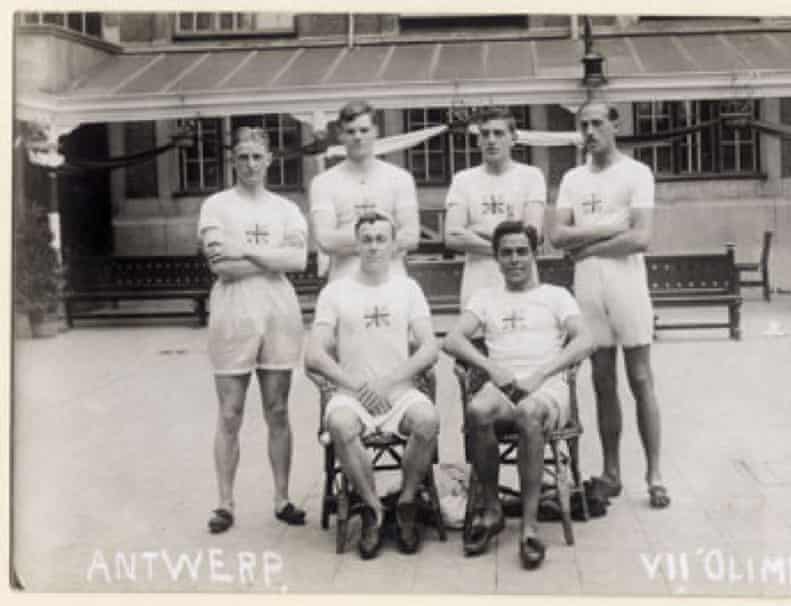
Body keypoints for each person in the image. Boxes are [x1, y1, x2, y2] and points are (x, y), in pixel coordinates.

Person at [443, 220, 592, 569]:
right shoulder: (486, 299)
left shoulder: (556, 296)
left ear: (535, 252)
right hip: (504, 386)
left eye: (522, 251)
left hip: (548, 387)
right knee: (478, 409)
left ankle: (529, 526)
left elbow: (586, 339)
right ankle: (493, 509)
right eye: (506, 253)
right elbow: (452, 340)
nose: (515, 259)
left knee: (528, 414)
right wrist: (491, 368)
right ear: (495, 258)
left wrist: (541, 374)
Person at [549, 101, 670, 509]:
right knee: (602, 381)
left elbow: (641, 238)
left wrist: (586, 247)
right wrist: (609, 228)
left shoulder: (637, 173)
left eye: (598, 123)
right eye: (583, 125)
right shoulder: (572, 178)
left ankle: (654, 475)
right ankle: (611, 472)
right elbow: (556, 236)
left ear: (615, 125)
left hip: (627, 283)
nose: (590, 132)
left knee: (639, 378)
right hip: (588, 287)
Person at [304, 211, 440, 560]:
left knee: (427, 421)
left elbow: (429, 348)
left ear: (394, 245)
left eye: (381, 239)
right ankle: (373, 509)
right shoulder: (335, 292)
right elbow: (314, 355)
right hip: (351, 394)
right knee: (339, 424)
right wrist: (359, 387)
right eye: (367, 239)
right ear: (356, 244)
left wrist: (388, 382)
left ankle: (407, 502)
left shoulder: (408, 289)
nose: (374, 246)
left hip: (399, 392)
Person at [198, 126, 309, 534]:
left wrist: (243, 251)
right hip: (232, 311)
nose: (249, 164)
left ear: (269, 161)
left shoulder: (285, 209)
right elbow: (220, 267)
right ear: (233, 160)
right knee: (230, 412)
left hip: (278, 310)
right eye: (242, 156)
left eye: (256, 157)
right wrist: (270, 258)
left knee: (277, 409)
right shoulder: (216, 206)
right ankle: (224, 503)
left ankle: (282, 497)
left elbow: (298, 261)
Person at [444, 107, 546, 306]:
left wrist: (475, 231)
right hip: (478, 279)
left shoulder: (531, 176)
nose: (491, 140)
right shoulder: (463, 180)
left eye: (498, 133)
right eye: (485, 134)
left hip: (521, 277)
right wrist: (508, 246)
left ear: (513, 138)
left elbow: (532, 235)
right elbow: (452, 236)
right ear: (478, 140)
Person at [310, 100, 420, 282]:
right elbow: (325, 240)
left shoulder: (400, 178)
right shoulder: (323, 183)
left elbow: (411, 236)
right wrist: (383, 240)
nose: (358, 137)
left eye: (364, 130)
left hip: (392, 280)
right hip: (344, 281)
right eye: (351, 131)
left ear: (376, 131)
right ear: (340, 135)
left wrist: (349, 243)